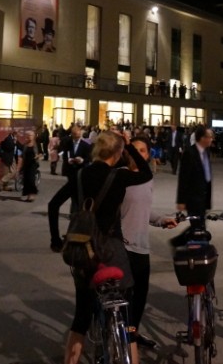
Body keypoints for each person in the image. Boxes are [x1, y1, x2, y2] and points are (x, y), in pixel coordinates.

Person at [47, 131, 153, 364]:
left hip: (83, 251)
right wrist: (130, 146)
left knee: (82, 315)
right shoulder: (118, 177)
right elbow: (146, 173)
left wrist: (56, 241)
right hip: (113, 250)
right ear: (117, 154)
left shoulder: (79, 175)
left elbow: (53, 205)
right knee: (126, 316)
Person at [121, 135, 177, 351]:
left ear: (148, 154)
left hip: (141, 247)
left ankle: (131, 334)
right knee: (124, 297)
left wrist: (162, 220)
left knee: (139, 298)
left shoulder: (147, 179)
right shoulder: (121, 176)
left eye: (143, 151)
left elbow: (144, 211)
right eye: (134, 150)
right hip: (122, 247)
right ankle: (120, 338)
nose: (138, 154)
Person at [173, 124, 215, 244]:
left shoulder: (206, 151)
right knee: (198, 226)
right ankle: (182, 243)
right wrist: (181, 200)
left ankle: (185, 242)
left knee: (200, 225)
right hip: (193, 197)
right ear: (201, 138)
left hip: (204, 195)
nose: (211, 139)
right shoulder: (190, 153)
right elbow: (183, 178)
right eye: (209, 137)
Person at [19, 130, 39, 202]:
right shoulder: (25, 145)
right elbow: (22, 155)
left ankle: (32, 195)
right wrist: (19, 165)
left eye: (30, 135)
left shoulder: (36, 144)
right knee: (26, 180)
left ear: (33, 137)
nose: (29, 137)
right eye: (28, 135)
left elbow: (42, 154)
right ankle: (28, 196)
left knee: (31, 180)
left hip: (33, 164)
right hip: (26, 164)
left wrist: (38, 156)